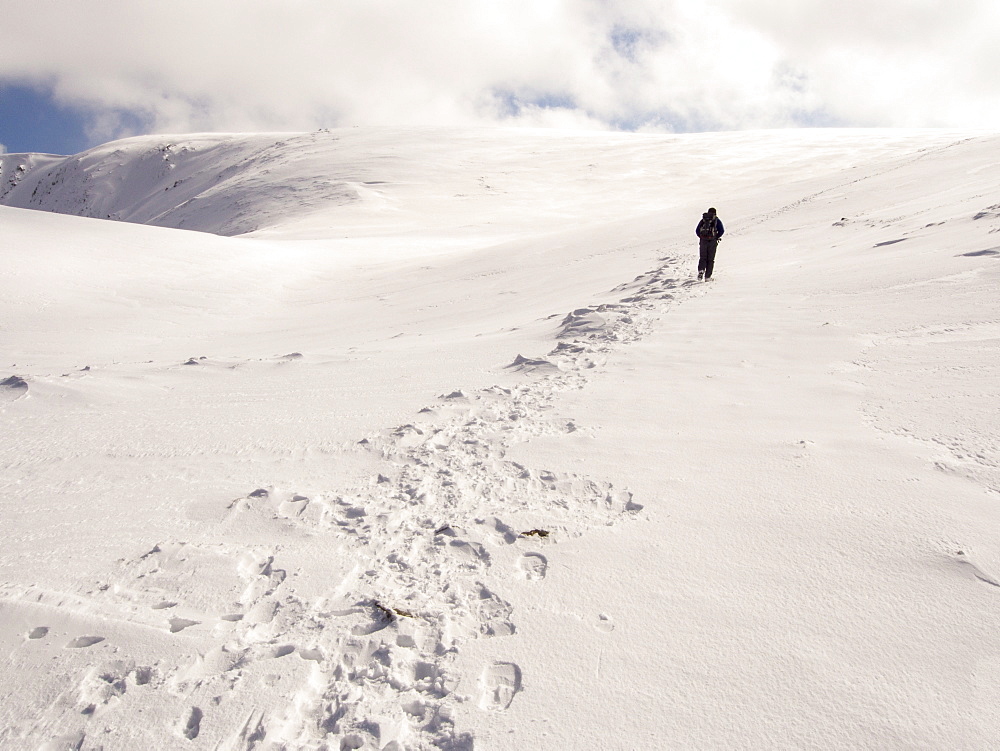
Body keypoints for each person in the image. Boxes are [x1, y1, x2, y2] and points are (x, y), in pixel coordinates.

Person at [696, 207, 724, 280]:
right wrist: (716, 237)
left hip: (703, 241)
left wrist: (702, 237)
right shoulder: (716, 220)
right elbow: (722, 230)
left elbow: (697, 230)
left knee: (703, 257)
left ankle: (701, 271)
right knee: (710, 259)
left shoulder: (703, 220)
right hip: (712, 242)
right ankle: (707, 276)